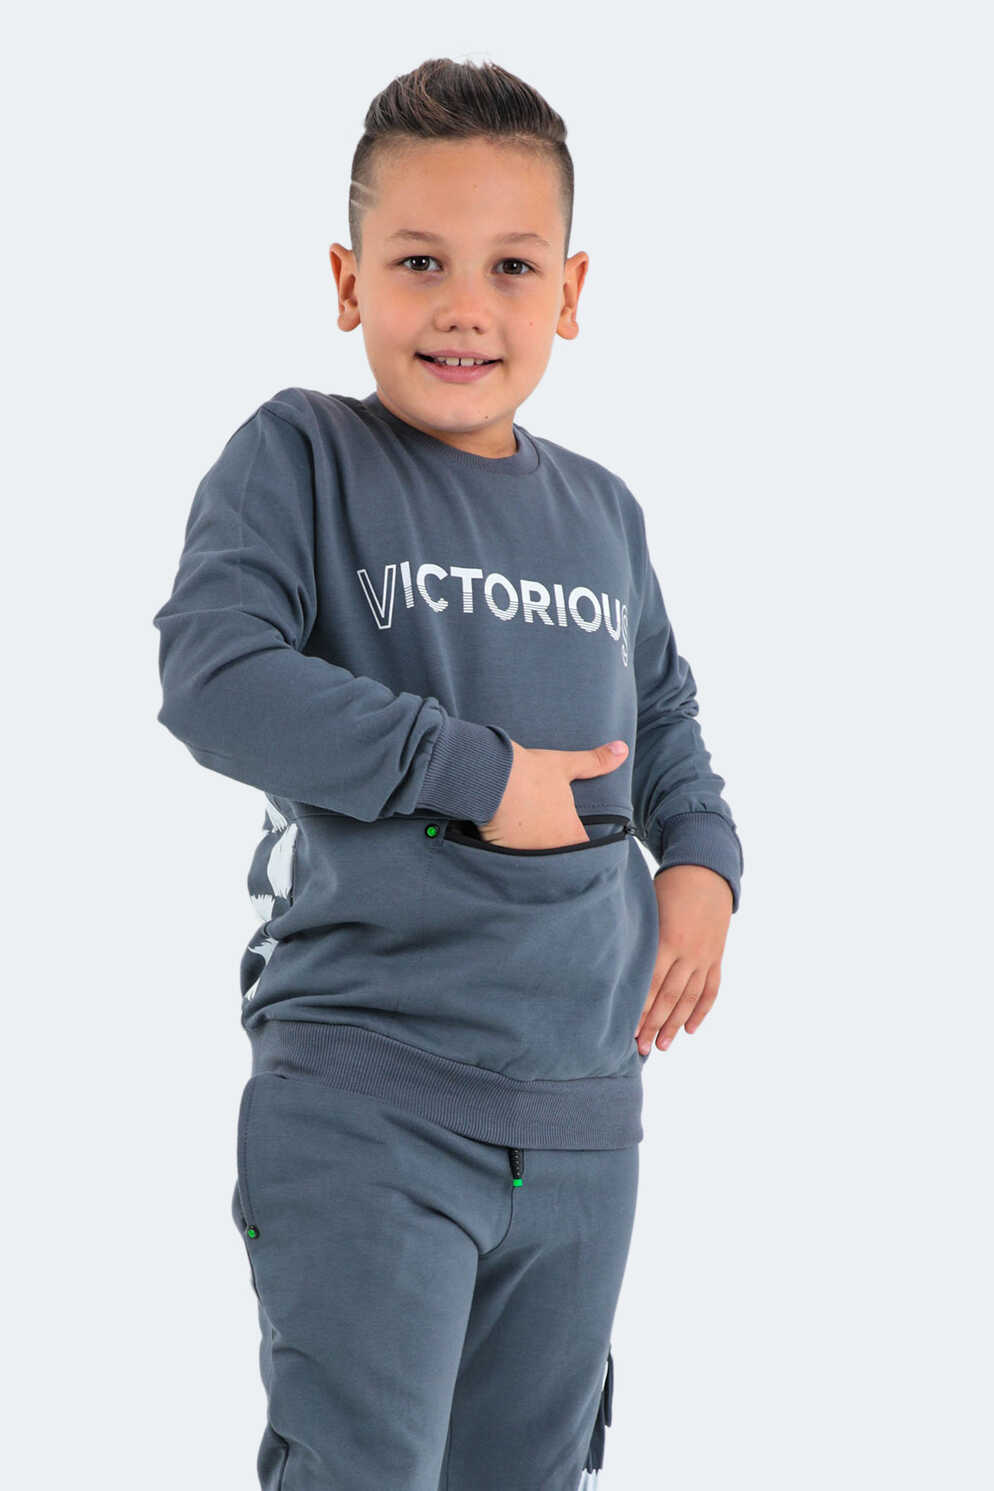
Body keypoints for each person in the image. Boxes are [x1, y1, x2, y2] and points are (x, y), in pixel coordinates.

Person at [152, 55, 744, 1491]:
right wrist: (471, 772)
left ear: (571, 291)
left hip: (585, 1121)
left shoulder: (604, 512)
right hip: (367, 1104)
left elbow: (663, 711)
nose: (466, 306)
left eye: (511, 266)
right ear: (348, 280)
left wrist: (704, 865)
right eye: (420, 262)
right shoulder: (300, 456)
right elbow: (213, 676)